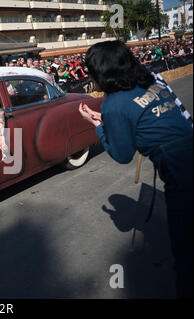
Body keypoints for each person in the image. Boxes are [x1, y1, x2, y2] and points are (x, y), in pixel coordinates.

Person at [79, 40, 193, 298]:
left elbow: (122, 154)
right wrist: (108, 122)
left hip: (181, 175)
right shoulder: (152, 83)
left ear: (101, 72)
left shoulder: (114, 103)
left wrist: (97, 125)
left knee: (186, 252)